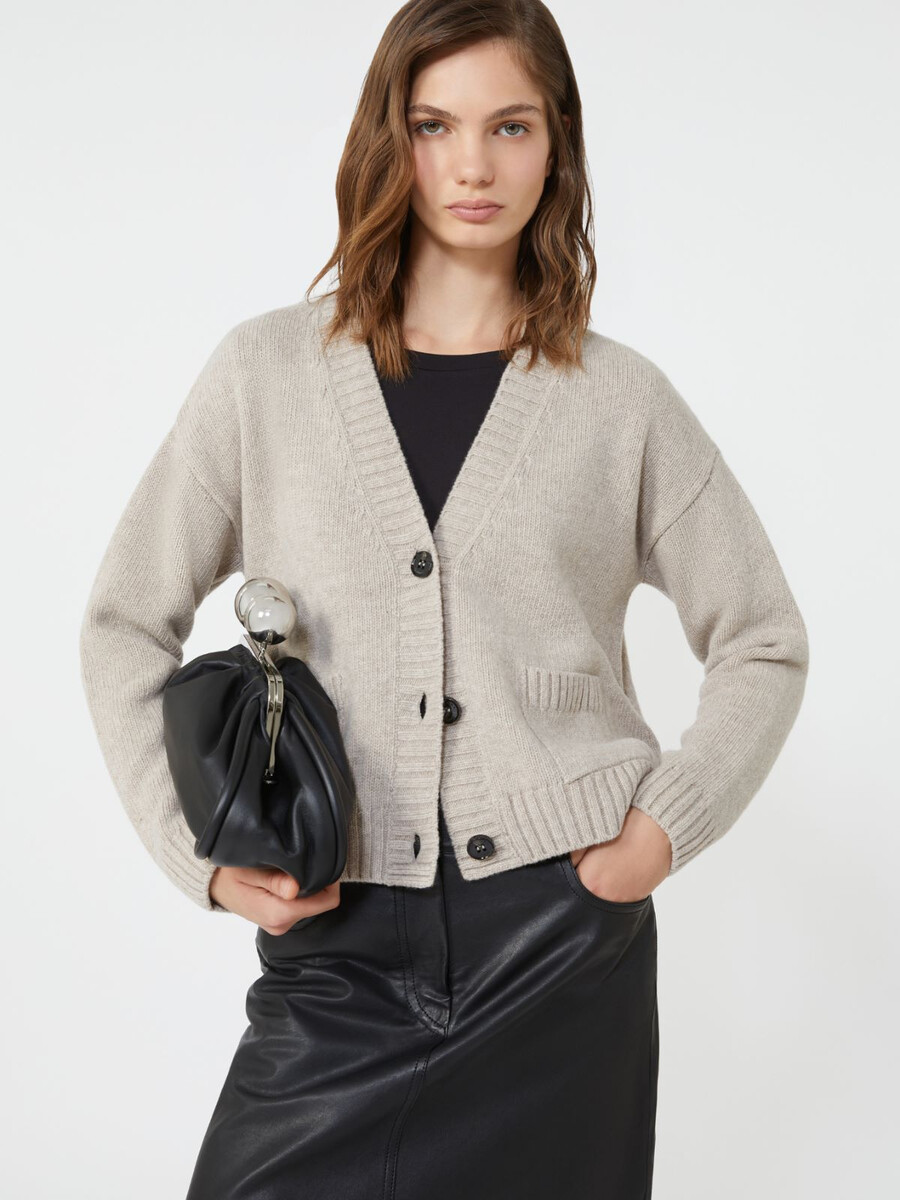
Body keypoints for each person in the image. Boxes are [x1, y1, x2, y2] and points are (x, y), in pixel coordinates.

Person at [78, 2, 810, 1196]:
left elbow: (764, 640)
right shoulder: (265, 375)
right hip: (336, 934)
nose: (473, 165)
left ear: (556, 145)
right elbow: (123, 620)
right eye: (434, 125)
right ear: (390, 139)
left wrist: (654, 837)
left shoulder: (621, 402)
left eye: (510, 126)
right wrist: (192, 853)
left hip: (561, 943)